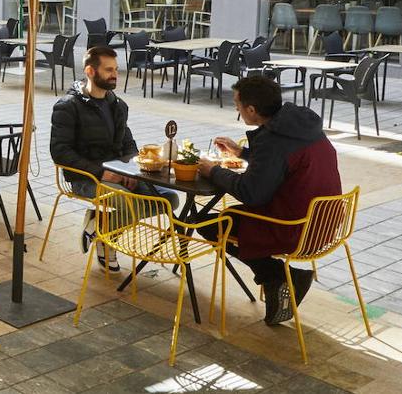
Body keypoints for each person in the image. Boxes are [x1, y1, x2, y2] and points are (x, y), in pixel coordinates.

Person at [198, 76, 339, 325]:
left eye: (237, 105)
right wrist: (243, 153)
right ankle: (279, 278)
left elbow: (252, 193)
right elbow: (282, 163)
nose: (237, 110)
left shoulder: (275, 140)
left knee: (210, 223)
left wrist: (213, 171)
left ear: (251, 110)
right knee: (231, 217)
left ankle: (280, 276)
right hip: (327, 223)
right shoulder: (300, 125)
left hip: (295, 228)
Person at [50, 45, 177, 271]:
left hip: (119, 174)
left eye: (116, 69)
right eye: (109, 70)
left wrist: (131, 171)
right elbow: (60, 151)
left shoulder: (117, 105)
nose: (115, 74)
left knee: (169, 199)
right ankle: (106, 243)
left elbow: (128, 144)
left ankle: (99, 226)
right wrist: (101, 172)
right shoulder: (68, 107)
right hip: (86, 177)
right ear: (90, 71)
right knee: (129, 204)